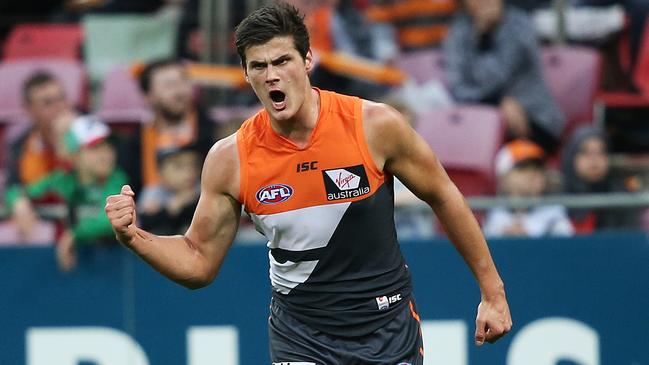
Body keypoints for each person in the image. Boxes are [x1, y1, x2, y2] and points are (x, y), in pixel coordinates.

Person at [105, 3, 511, 363]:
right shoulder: (231, 159)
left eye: (282, 61)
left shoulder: (374, 126)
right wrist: (134, 237)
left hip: (385, 327)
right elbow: (198, 262)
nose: (272, 76)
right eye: (259, 66)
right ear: (245, 74)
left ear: (308, 60)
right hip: (301, 336)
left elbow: (444, 196)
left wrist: (492, 293)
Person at [7, 115, 128, 271]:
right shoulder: (63, 179)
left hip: (113, 270)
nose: (106, 153)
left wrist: (73, 235)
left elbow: (113, 220)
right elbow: (18, 191)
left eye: (109, 145)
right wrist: (18, 202)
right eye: (95, 148)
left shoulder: (117, 179)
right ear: (74, 155)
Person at [444, 0, 566, 153]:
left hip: (532, 119)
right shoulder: (459, 30)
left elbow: (492, 79)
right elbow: (457, 89)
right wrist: (496, 103)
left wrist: (484, 36)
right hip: (482, 118)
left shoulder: (521, 25)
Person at [120, 58, 216, 193]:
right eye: (168, 85)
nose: (179, 91)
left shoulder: (215, 133)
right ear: (149, 95)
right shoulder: (135, 145)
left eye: (183, 82)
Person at [483, 140, 574, 237]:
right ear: (504, 177)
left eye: (538, 169)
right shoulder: (493, 215)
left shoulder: (555, 215)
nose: (533, 174)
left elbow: (566, 249)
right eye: (523, 169)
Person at [561, 126, 642, 233]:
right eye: (585, 152)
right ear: (571, 157)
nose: (594, 159)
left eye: (601, 152)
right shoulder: (556, 197)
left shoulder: (622, 196)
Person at [6, 71, 75, 187]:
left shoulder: (94, 137)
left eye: (61, 98)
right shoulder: (20, 145)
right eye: (48, 103)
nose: (59, 106)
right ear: (30, 111)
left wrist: (63, 142)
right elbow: (13, 188)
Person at [137, 144, 201, 235]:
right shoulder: (153, 193)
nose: (189, 171)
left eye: (193, 165)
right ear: (161, 171)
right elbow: (144, 223)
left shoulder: (203, 190)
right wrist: (169, 208)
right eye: (179, 166)